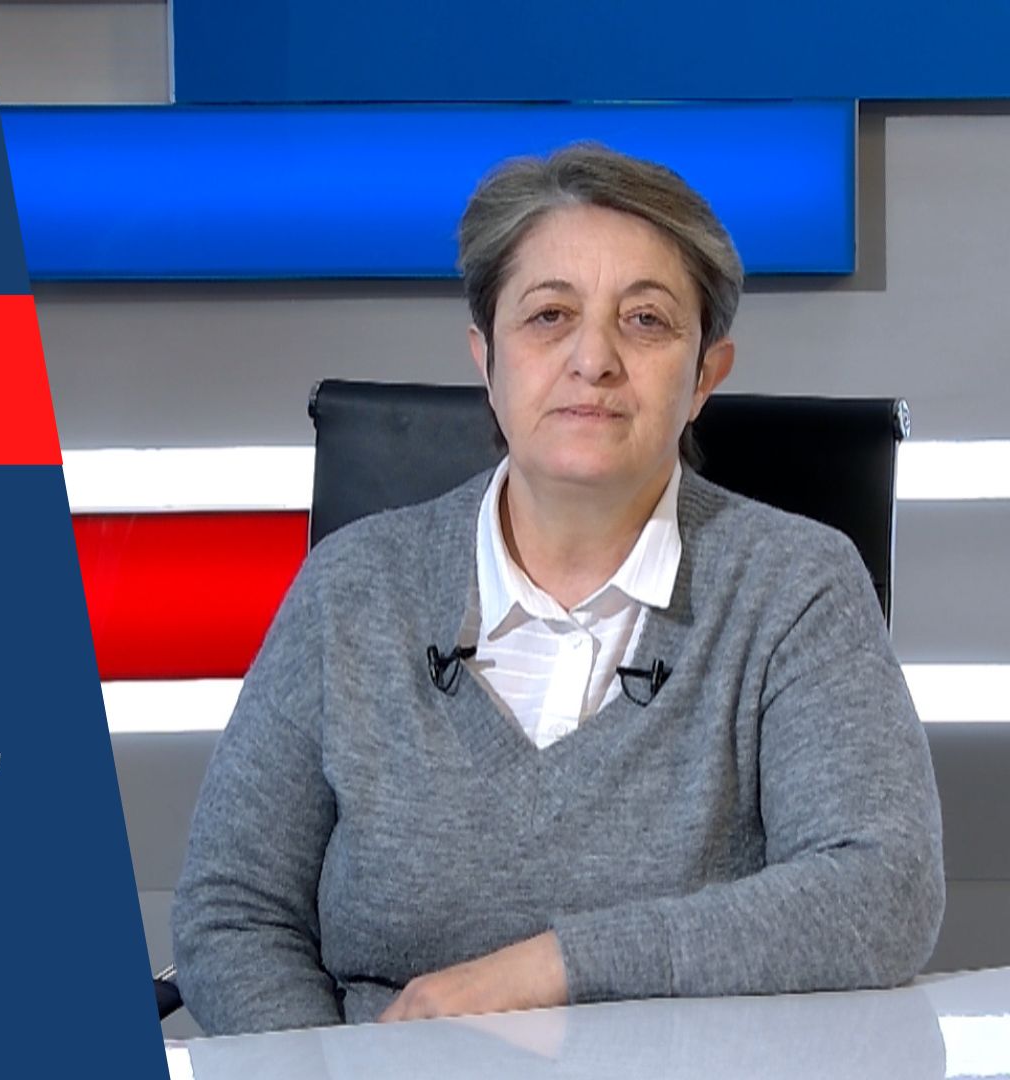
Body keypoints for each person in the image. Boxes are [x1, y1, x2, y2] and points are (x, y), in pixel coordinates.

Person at [169, 142, 946, 1036]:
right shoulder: (353, 587)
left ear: (705, 376)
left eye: (646, 320)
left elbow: (882, 890)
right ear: (486, 360)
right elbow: (234, 912)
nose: (594, 359)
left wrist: (550, 969)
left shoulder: (798, 587)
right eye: (549, 315)